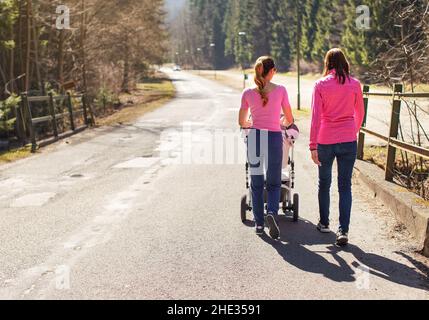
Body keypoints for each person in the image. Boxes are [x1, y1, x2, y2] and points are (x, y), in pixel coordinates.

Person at [310, 48, 365, 246]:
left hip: (325, 140)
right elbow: (360, 112)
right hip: (348, 139)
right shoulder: (355, 84)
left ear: (328, 64)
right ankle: (343, 230)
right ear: (344, 63)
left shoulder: (320, 85)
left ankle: (324, 223)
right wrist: (352, 130)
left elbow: (315, 117)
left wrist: (312, 145)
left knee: (324, 183)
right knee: (345, 186)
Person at [239, 56, 294, 239]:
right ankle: (271, 212)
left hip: (255, 137)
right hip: (273, 138)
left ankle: (259, 224)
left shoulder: (247, 93)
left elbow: (241, 121)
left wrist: (251, 122)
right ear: (271, 71)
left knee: (256, 183)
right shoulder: (281, 90)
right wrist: (281, 122)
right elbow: (289, 119)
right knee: (273, 182)